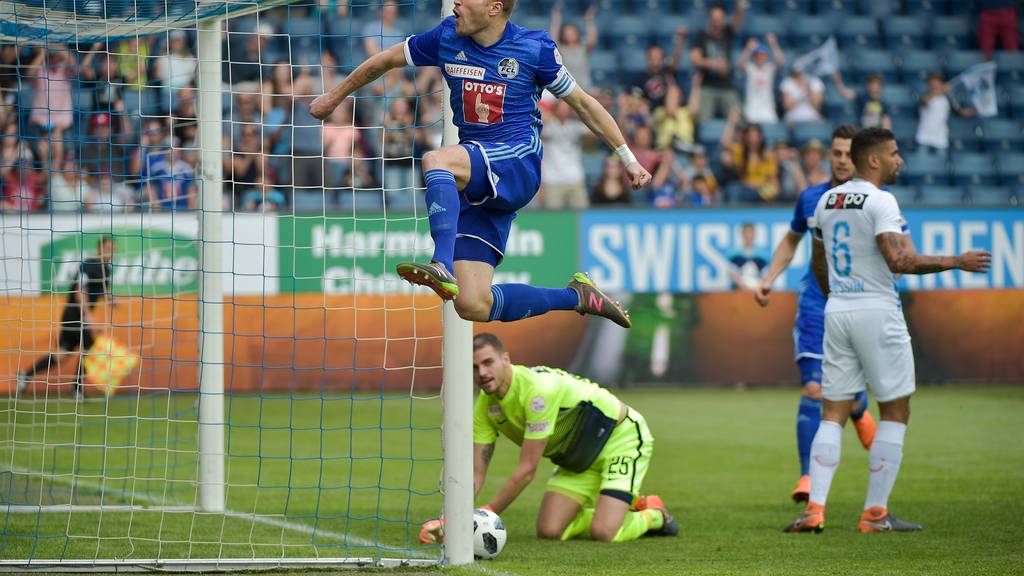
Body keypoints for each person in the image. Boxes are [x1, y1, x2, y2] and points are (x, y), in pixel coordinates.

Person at [310, 0, 650, 328]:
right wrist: (333, 97)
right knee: (473, 304)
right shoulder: (446, 38)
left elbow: (584, 104)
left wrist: (628, 159)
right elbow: (384, 60)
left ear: (494, 8)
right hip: (478, 175)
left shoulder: (534, 48)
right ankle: (577, 297)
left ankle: (441, 264)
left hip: (517, 162)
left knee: (436, 159)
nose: (455, 4)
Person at [784, 127, 992, 533]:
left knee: (832, 413)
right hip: (877, 311)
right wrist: (956, 260)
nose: (900, 160)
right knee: (895, 410)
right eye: (894, 154)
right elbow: (899, 261)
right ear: (874, 160)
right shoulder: (882, 201)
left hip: (837, 311)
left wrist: (837, 297)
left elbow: (818, 264)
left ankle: (815, 510)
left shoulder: (828, 200)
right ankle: (875, 513)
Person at [420, 333, 677, 544]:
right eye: (474, 367)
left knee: (605, 533)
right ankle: (613, 509)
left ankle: (654, 515)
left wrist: (485, 513)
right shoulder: (484, 408)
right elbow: (477, 473)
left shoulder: (537, 393)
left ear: (506, 359)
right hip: (576, 460)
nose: (482, 373)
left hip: (621, 438)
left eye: (488, 363)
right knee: (550, 531)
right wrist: (450, 521)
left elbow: (527, 470)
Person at [755, 124, 878, 502]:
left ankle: (857, 406)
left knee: (841, 389)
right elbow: (792, 239)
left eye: (847, 154)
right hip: (816, 303)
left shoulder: (876, 199)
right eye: (836, 153)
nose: (841, 160)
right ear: (829, 154)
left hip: (857, 302)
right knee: (814, 387)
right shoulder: (810, 198)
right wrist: (770, 276)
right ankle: (807, 478)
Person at [17, 236, 117, 401]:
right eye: (108, 248)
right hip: (74, 315)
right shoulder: (89, 265)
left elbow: (104, 290)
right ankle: (77, 388)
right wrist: (88, 315)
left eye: (113, 249)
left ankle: (25, 375)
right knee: (90, 345)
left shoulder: (106, 269)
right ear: (99, 248)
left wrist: (112, 301)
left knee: (62, 355)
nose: (111, 252)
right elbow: (79, 290)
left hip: (79, 316)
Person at [690, 1, 745, 121]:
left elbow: (739, 15)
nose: (717, 21)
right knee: (700, 120)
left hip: (726, 86)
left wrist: (739, 3)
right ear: (709, 18)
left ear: (724, 19)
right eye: (714, 18)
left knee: (739, 119)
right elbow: (694, 59)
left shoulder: (728, 33)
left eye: (719, 18)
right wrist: (713, 64)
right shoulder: (701, 36)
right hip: (707, 85)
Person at [739, 34, 784, 124]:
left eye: (763, 55)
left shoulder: (769, 68)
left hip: (768, 110)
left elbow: (780, 61)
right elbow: (741, 63)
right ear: (754, 56)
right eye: (758, 55)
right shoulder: (750, 68)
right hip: (751, 109)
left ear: (766, 57)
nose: (760, 58)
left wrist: (774, 45)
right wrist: (748, 49)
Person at [728, 223, 768, 290]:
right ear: (742, 234)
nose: (749, 236)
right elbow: (734, 276)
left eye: (751, 233)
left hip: (757, 291)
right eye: (746, 233)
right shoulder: (734, 255)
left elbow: (765, 277)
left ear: (755, 235)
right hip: (739, 293)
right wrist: (746, 288)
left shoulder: (762, 256)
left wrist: (757, 287)